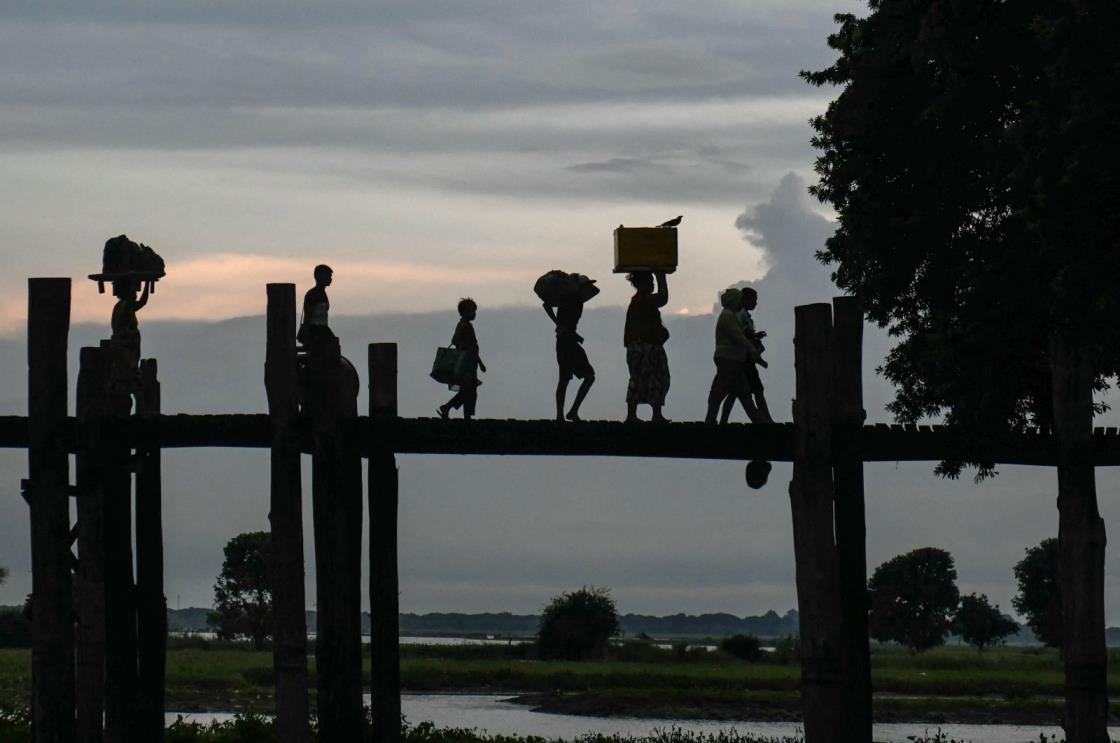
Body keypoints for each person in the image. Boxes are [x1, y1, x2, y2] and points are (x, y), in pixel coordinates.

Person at [705, 287, 766, 424]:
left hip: (731, 360)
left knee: (723, 393)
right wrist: (753, 351)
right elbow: (738, 336)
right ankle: (760, 422)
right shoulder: (728, 316)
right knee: (730, 393)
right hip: (729, 360)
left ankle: (711, 420)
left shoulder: (728, 315)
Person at [719, 287, 773, 423]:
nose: (756, 303)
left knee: (734, 392)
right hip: (744, 360)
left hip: (742, 358)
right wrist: (753, 338)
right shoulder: (739, 315)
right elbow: (740, 335)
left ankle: (723, 421)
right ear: (746, 300)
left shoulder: (741, 315)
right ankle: (766, 420)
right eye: (754, 300)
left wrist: (754, 336)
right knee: (757, 390)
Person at [623, 271, 670, 422]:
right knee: (648, 379)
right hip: (644, 347)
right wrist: (661, 276)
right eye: (650, 281)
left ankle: (652, 414)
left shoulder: (639, 300)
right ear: (641, 283)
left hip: (644, 347)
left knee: (652, 379)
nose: (652, 284)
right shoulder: (642, 300)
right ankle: (638, 415)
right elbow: (663, 298)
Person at [543, 294, 595, 421]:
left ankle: (571, 412)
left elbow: (568, 325)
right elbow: (546, 305)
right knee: (565, 379)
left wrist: (572, 333)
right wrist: (558, 323)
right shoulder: (567, 299)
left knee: (588, 377)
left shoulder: (577, 302)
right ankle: (561, 415)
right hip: (565, 343)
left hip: (570, 341)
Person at [439, 298, 486, 420]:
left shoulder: (468, 326)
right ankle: (451, 408)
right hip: (465, 364)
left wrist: (480, 364)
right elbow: (455, 340)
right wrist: (464, 347)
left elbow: (473, 348)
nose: (474, 314)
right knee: (469, 390)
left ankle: (464, 414)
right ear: (464, 312)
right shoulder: (463, 326)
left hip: (472, 363)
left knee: (470, 391)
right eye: (472, 311)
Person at [110, 277, 149, 373]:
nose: (135, 294)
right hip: (125, 341)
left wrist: (147, 284)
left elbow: (142, 302)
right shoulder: (124, 306)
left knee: (130, 364)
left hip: (126, 340)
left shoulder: (124, 305)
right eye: (133, 292)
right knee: (128, 365)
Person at [298, 264, 334, 345]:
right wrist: (307, 337)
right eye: (328, 276)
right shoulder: (313, 294)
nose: (330, 279)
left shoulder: (322, 293)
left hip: (322, 331)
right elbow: (307, 316)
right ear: (320, 277)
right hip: (315, 333)